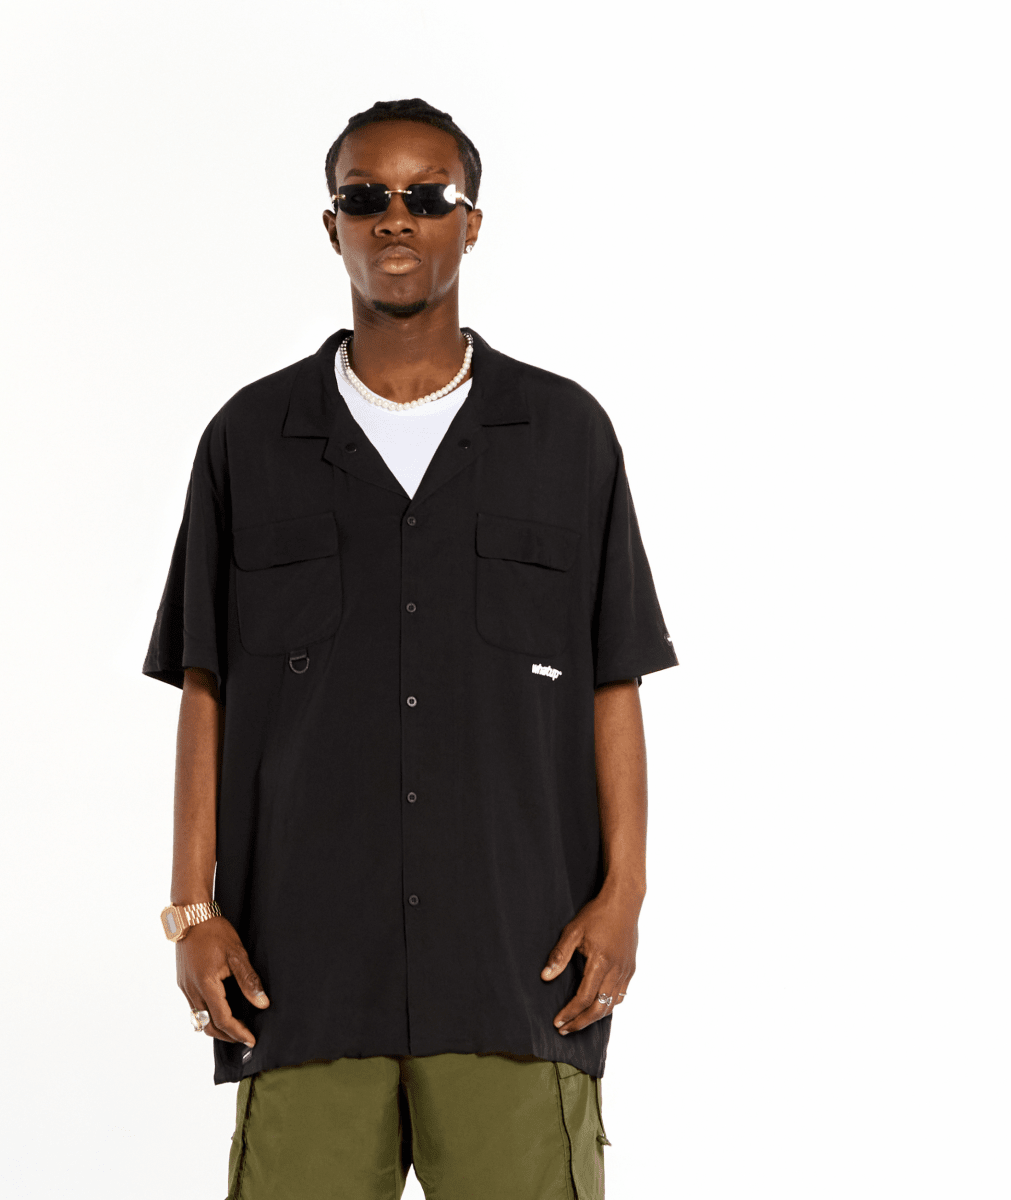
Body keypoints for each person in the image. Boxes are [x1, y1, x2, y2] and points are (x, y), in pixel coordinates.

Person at [144, 98, 678, 1200]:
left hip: (520, 971)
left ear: (470, 223)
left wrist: (624, 893)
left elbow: (611, 680)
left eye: (429, 196)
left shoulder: (565, 435)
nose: (397, 218)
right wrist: (192, 909)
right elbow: (206, 685)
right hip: (301, 975)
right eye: (366, 196)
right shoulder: (250, 440)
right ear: (331, 223)